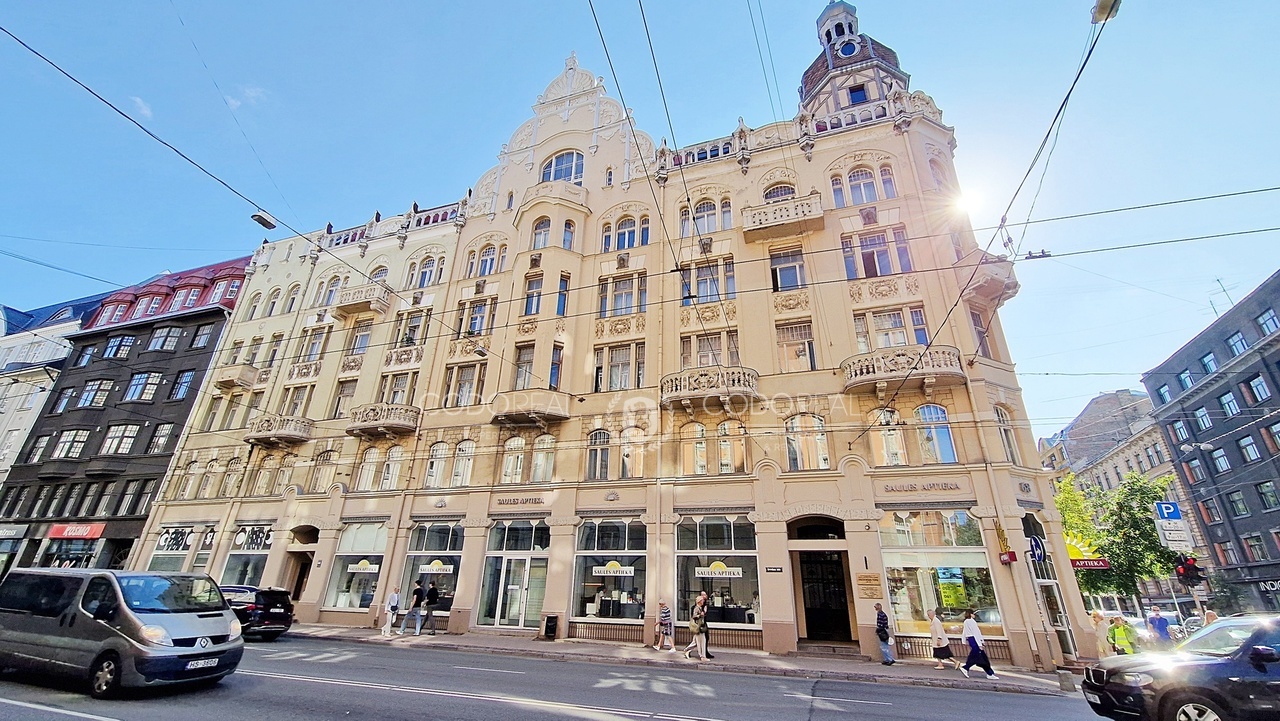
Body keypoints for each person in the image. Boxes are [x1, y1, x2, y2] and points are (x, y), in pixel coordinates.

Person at [960, 609, 998, 680]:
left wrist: (963, 640)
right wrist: (980, 642)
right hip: (975, 640)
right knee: (979, 656)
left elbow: (965, 632)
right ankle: (966, 667)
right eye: (973, 614)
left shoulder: (966, 621)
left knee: (979, 656)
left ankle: (989, 673)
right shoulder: (971, 621)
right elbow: (976, 633)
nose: (974, 615)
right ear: (970, 614)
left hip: (971, 639)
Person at [684, 596, 708, 661]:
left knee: (695, 642)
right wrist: (700, 615)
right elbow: (694, 616)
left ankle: (687, 650)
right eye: (702, 600)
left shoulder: (700, 608)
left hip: (700, 626)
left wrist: (704, 612)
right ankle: (702, 656)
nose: (703, 602)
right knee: (701, 642)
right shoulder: (697, 608)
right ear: (699, 601)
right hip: (698, 627)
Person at [697, 590, 714, 659]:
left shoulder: (705, 604)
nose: (705, 596)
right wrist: (703, 612)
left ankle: (705, 652)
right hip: (700, 624)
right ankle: (703, 654)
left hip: (704, 623)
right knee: (697, 640)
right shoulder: (699, 604)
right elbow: (696, 613)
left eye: (705, 595)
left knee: (705, 638)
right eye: (703, 595)